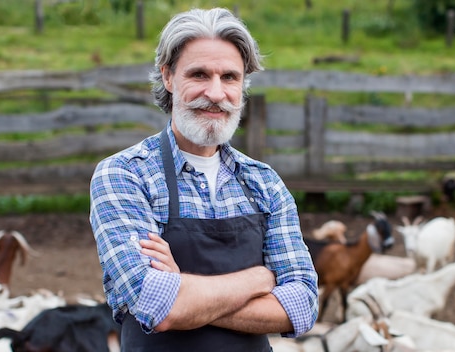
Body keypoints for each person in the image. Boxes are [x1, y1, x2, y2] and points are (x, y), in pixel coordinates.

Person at [89, 7, 319, 352]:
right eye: (199, 74)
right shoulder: (125, 174)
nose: (215, 93)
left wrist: (183, 289)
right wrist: (260, 279)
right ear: (168, 77)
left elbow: (302, 306)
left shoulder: (264, 183)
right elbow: (158, 307)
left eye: (229, 77)